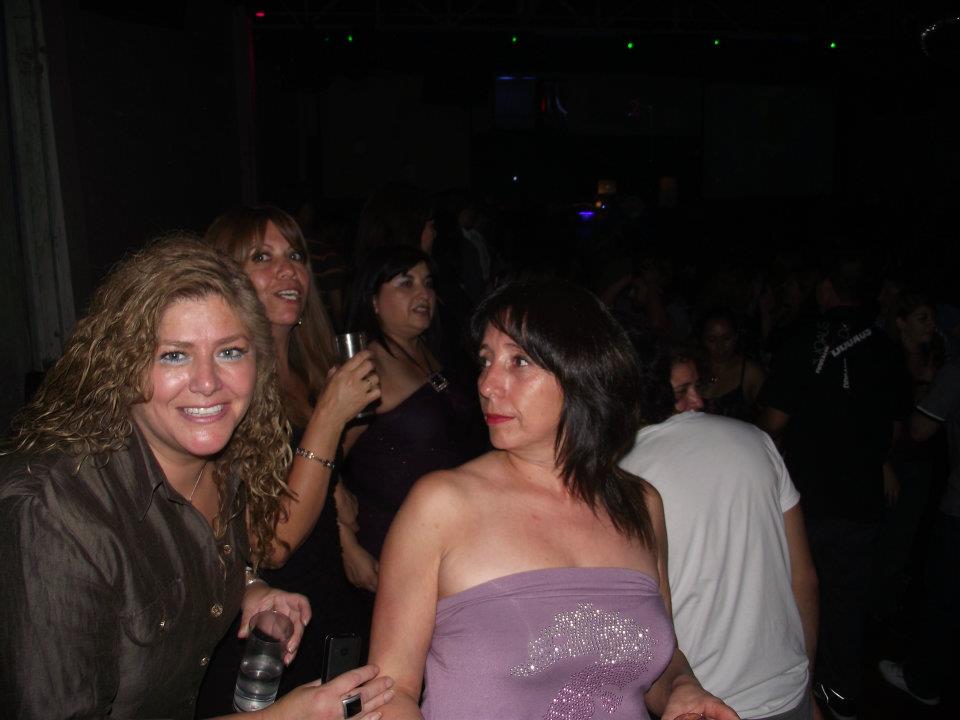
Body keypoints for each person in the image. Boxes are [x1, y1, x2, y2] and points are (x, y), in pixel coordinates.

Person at [0, 237, 393, 719]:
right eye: (173, 355)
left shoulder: (228, 460)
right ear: (121, 364)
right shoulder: (54, 514)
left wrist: (250, 587)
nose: (207, 383)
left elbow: (184, 559)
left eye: (230, 352)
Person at [367, 279, 740, 720]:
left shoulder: (640, 504)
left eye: (519, 361)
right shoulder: (442, 506)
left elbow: (656, 661)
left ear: (584, 371)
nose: (487, 384)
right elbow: (389, 693)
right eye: (486, 360)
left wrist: (682, 687)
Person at [198, 206, 380, 715]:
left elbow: (308, 472)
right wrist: (330, 417)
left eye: (295, 256)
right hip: (271, 616)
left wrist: (342, 519)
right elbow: (269, 544)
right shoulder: (225, 386)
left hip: (327, 591)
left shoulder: (307, 368)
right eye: (262, 257)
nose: (288, 270)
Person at [622, 342, 820, 720]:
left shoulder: (614, 476)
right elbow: (805, 579)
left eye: (698, 386)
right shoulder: (756, 440)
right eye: (680, 392)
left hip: (694, 700)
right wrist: (803, 680)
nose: (697, 401)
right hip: (760, 694)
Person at [758, 251, 909, 720]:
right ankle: (840, 694)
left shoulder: (803, 340)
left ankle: (796, 691)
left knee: (796, 596)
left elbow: (772, 421)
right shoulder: (886, 348)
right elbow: (897, 427)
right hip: (860, 499)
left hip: (805, 500)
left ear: (827, 289)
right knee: (847, 601)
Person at [338, 245, 485, 629]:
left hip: (449, 540)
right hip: (391, 546)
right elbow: (324, 460)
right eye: (406, 283)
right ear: (373, 300)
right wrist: (346, 543)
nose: (423, 294)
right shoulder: (366, 367)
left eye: (428, 283)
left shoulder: (431, 353)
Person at [878, 357, 960, 707]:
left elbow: (920, 428)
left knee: (945, 596)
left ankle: (923, 682)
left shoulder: (954, 370)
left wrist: (928, 385)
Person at [698, 308, 767, 422]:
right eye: (712, 340)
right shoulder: (693, 369)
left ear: (736, 337)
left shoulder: (750, 373)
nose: (720, 346)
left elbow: (771, 417)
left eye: (726, 338)